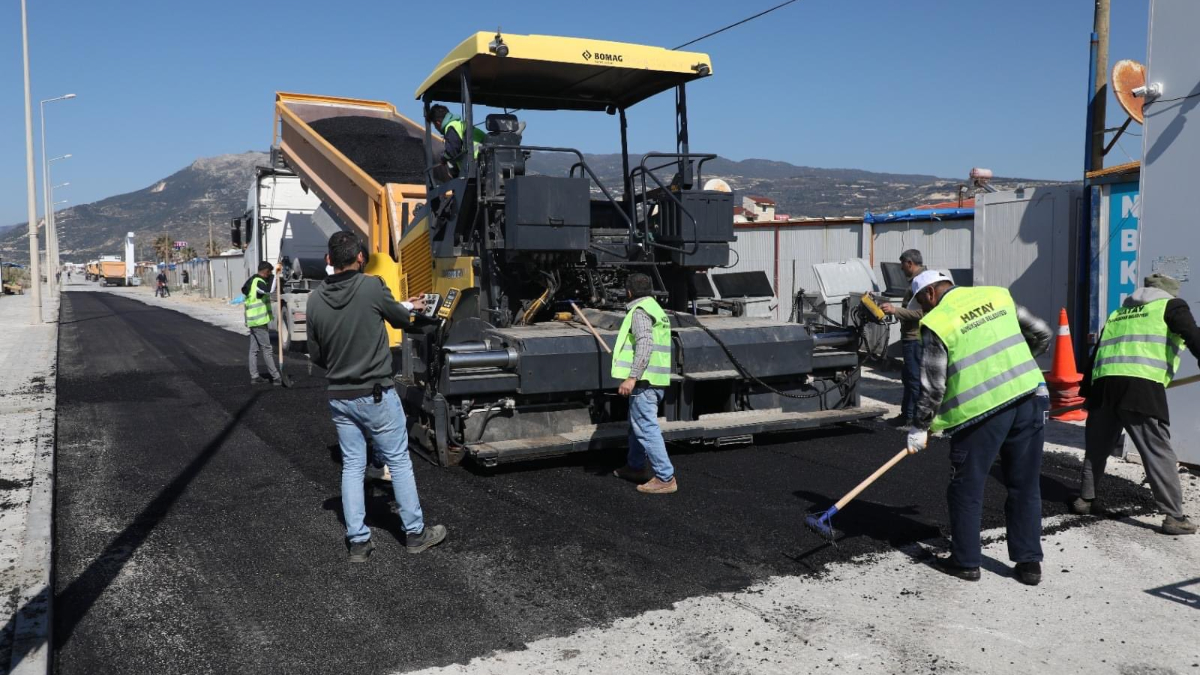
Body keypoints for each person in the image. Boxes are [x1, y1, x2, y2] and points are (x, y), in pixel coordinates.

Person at [306, 231, 447, 561]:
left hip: (340, 396)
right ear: (360, 259)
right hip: (377, 394)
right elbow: (401, 319)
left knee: (353, 465)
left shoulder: (314, 300)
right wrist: (410, 306)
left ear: (329, 260)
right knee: (398, 461)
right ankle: (415, 533)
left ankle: (358, 541)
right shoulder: (371, 286)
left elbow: (316, 354)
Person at [907, 271, 1052, 585]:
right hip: (1028, 398)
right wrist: (1020, 364)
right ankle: (1029, 565)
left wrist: (920, 426)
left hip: (980, 415)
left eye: (922, 302)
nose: (923, 310)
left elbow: (933, 385)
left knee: (966, 487)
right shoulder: (997, 294)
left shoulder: (938, 322)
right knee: (1025, 484)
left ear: (930, 293)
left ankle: (966, 562)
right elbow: (1042, 333)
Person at [1074, 274, 1200, 535]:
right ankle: (1174, 517)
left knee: (1096, 449)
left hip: (1104, 386)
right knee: (1157, 451)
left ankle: (1085, 500)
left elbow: (1097, 351)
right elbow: (1192, 335)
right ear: (1170, 293)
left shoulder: (1119, 313)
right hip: (1139, 388)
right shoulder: (1172, 306)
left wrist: (1087, 391)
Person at [611, 273, 677, 494]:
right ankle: (635, 466)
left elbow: (645, 344)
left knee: (646, 427)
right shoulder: (655, 309)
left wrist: (632, 377)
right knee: (637, 425)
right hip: (654, 380)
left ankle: (665, 477)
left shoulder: (639, 312)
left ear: (628, 292)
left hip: (644, 382)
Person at [880, 249, 926, 426]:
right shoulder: (918, 281)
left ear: (909, 263)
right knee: (908, 377)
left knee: (914, 379)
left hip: (915, 338)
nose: (901, 269)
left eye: (902, 265)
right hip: (911, 338)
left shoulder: (920, 282)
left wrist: (895, 310)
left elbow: (923, 312)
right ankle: (906, 414)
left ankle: (915, 418)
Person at [242, 261, 281, 385]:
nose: (270, 275)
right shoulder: (259, 282)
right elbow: (269, 290)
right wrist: (277, 275)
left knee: (254, 350)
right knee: (267, 349)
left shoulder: (252, 281)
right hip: (259, 322)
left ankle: (254, 376)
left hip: (252, 321)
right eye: (269, 273)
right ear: (266, 272)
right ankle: (276, 377)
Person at [426, 104, 486, 178]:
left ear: (437, 123)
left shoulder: (451, 128)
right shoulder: (459, 125)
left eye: (434, 125)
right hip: (485, 159)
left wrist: (443, 158)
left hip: (477, 163)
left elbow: (452, 151)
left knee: (450, 163)